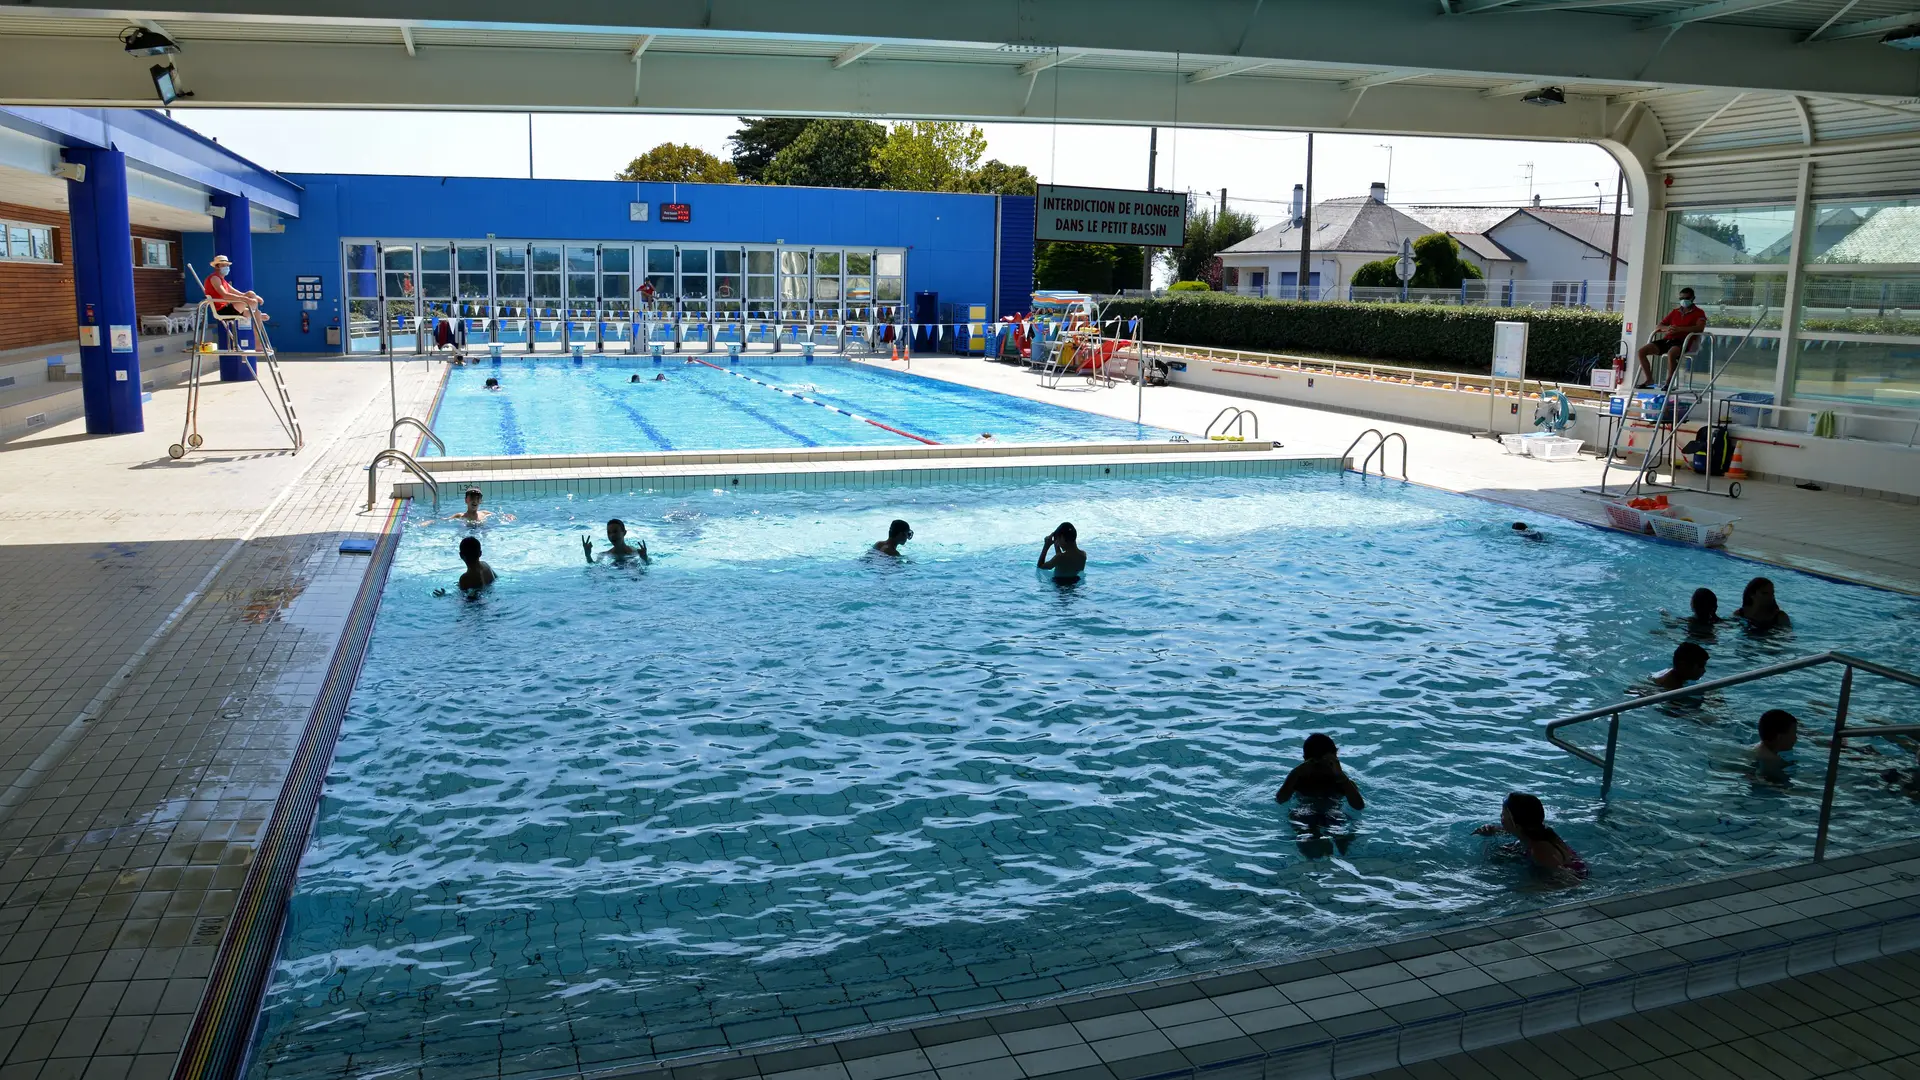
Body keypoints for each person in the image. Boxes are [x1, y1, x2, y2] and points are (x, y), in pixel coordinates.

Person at [1476, 792, 1586, 875]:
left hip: (1573, 876)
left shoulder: (1539, 849)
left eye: (1503, 814)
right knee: (1500, 853)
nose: (1501, 816)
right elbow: (1515, 831)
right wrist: (1494, 830)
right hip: (1553, 865)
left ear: (1517, 825)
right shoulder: (1538, 830)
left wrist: (1528, 890)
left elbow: (1565, 878)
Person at [1636, 287, 1707, 388]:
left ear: (1693, 298)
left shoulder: (1699, 312)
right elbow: (1659, 326)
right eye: (1681, 298)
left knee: (1671, 353)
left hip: (1683, 341)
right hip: (1668, 340)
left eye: (1686, 298)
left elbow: (1700, 328)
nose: (1683, 301)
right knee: (1641, 352)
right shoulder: (1675, 312)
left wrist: (1680, 329)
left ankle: (1669, 381)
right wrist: (1668, 328)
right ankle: (1649, 379)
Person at [1274, 734, 1365, 809]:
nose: (1322, 770)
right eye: (1317, 765)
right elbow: (1280, 799)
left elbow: (1359, 806)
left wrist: (1341, 776)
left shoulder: (1341, 782)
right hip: (1306, 815)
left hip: (1331, 816)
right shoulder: (1299, 781)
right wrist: (1295, 773)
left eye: (1328, 764)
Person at [1751, 709, 1799, 781]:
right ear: (1780, 738)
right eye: (1794, 733)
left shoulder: (1759, 747)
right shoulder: (1770, 762)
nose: (1796, 738)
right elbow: (1783, 784)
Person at [583, 518, 649, 564]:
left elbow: (648, 565)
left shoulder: (636, 553)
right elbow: (594, 568)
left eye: (615, 531)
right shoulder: (604, 555)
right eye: (609, 532)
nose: (612, 535)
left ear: (624, 533)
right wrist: (588, 555)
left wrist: (645, 558)